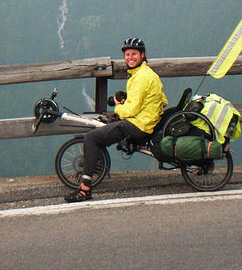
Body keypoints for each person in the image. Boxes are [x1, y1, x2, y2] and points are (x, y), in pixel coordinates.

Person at [64, 37, 167, 202]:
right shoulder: (146, 73)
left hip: (139, 125)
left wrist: (119, 106)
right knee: (105, 130)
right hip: (146, 121)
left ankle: (85, 189)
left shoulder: (141, 77)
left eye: (134, 54)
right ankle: (94, 169)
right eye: (127, 54)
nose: (130, 58)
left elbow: (131, 110)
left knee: (91, 138)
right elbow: (159, 100)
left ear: (143, 55)